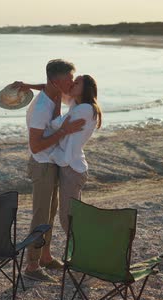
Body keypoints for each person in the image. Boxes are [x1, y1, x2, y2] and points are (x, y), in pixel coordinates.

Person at [15, 59, 86, 282]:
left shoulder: (54, 92)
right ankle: (32, 265)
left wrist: (28, 85)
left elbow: (45, 86)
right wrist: (63, 131)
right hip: (42, 164)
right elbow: (36, 145)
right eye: (69, 79)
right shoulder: (41, 108)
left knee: (51, 212)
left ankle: (45, 256)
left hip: (53, 162)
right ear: (57, 81)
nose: (72, 83)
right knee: (40, 215)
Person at [49, 75, 102, 232]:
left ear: (85, 88)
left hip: (72, 169)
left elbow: (55, 125)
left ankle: (80, 252)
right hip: (71, 166)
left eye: (76, 82)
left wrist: (58, 104)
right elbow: (56, 89)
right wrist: (28, 86)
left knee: (67, 218)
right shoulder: (75, 104)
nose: (72, 84)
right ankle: (80, 252)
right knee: (71, 217)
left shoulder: (85, 109)